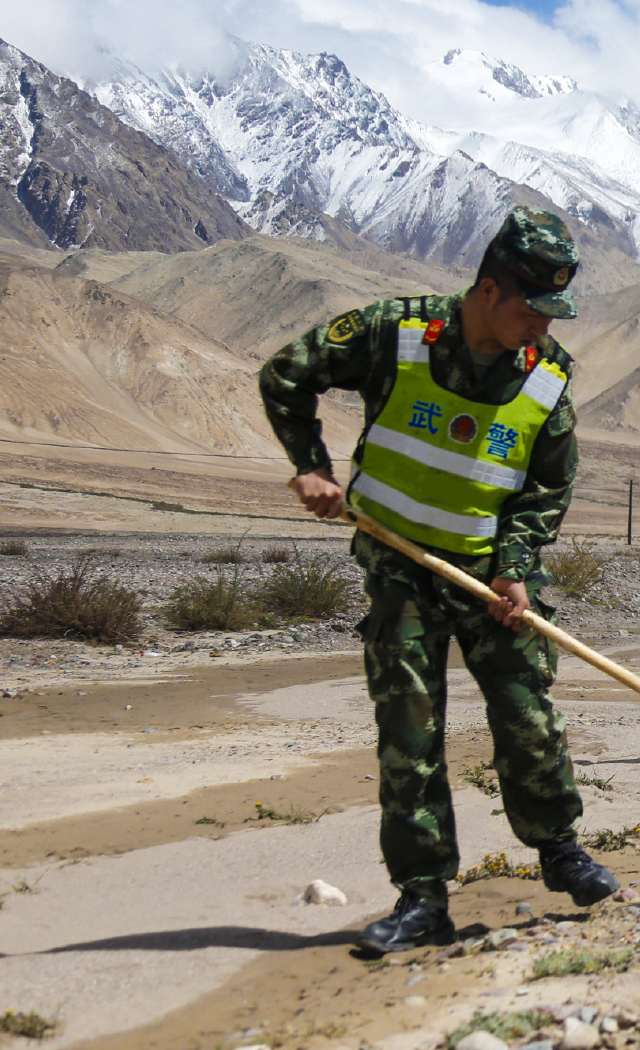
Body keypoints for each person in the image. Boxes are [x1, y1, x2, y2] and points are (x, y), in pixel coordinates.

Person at [261, 206, 617, 953]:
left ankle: (561, 850)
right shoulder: (397, 332)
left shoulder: (547, 374)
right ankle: (423, 898)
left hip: (491, 575)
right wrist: (311, 467)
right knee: (409, 733)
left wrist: (515, 568)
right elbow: (287, 374)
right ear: (488, 290)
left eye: (553, 313)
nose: (542, 326)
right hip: (401, 568)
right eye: (531, 309)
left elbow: (548, 485)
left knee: (528, 714)